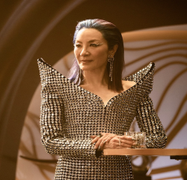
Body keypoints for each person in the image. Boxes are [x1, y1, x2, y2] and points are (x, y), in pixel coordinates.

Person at [37, 19, 167, 180]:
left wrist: (124, 141)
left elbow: (158, 138)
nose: (83, 52)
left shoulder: (133, 89)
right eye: (78, 45)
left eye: (93, 45)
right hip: (71, 176)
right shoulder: (58, 88)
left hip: (118, 175)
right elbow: (51, 141)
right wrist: (100, 145)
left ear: (112, 50)